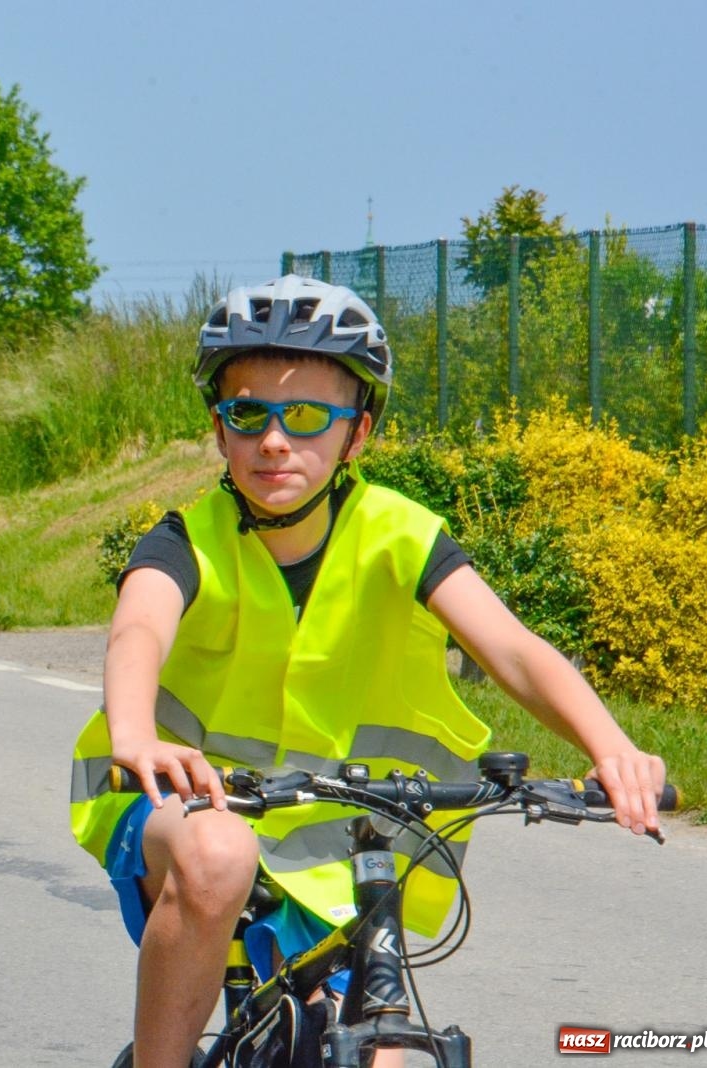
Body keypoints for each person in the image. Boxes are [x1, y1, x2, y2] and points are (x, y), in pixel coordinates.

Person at [68, 275, 667, 1068]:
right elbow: (138, 628)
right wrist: (136, 736)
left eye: (308, 417)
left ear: (358, 434)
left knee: (378, 1045)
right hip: (178, 809)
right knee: (219, 854)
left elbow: (514, 649)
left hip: (351, 827)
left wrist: (613, 746)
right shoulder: (187, 539)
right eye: (249, 415)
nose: (275, 440)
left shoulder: (400, 535)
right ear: (219, 431)